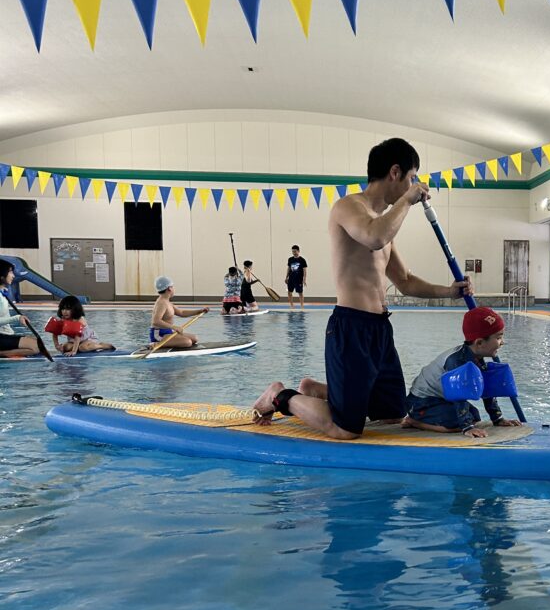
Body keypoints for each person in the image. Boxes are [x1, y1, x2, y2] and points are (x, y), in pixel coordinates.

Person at [253, 137, 472, 438]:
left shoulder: (384, 222)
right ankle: (281, 396)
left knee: (391, 415)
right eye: (411, 178)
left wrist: (449, 291)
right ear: (395, 172)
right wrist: (407, 200)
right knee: (345, 430)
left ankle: (315, 390)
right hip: (351, 327)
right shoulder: (348, 207)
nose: (413, 185)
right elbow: (374, 237)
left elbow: (405, 281)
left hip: (380, 330)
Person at [403, 306, 523, 438]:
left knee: (474, 416)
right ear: (479, 343)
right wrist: (467, 428)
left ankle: (426, 420)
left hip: (441, 400)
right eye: (499, 338)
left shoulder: (476, 357)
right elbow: (459, 397)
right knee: (457, 425)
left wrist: (497, 419)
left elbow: (487, 391)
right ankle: (414, 421)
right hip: (421, 402)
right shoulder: (456, 361)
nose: (502, 342)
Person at [150, 275, 209, 349]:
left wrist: (199, 311)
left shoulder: (167, 301)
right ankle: (156, 344)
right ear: (169, 288)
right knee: (187, 342)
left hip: (168, 332)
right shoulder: (161, 303)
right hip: (159, 335)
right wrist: (174, 327)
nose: (174, 288)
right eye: (172, 286)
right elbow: (155, 321)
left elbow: (181, 313)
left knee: (194, 338)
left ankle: (168, 342)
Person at [46, 295, 115, 354]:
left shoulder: (80, 320)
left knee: (83, 348)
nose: (65, 311)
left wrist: (73, 351)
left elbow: (77, 336)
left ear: (75, 309)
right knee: (65, 348)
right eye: (63, 309)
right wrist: (57, 345)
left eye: (68, 309)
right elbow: (55, 332)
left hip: (88, 339)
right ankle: (78, 347)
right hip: (74, 341)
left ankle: (101, 345)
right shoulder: (63, 320)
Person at [0, 259, 40, 360]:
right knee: (37, 347)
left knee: (37, 343)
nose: (13, 276)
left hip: (6, 335)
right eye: (10, 272)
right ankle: (2, 353)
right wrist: (17, 318)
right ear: (1, 276)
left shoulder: (2, 293)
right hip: (1, 337)